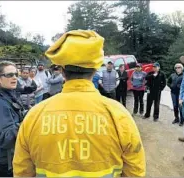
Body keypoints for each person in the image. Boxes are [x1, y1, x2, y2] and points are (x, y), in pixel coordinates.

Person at [13, 30, 146, 177]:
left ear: (63, 72)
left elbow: (22, 171)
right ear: (95, 70)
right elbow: (135, 169)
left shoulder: (35, 115)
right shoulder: (118, 114)